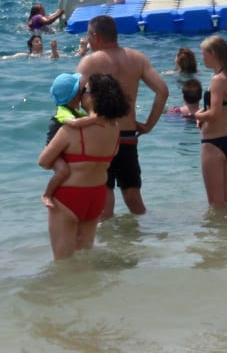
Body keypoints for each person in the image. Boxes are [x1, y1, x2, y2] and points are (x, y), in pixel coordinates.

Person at [76, 14, 169, 218]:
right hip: (128, 135)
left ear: (96, 37)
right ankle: (148, 231)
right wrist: (148, 125)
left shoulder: (89, 61)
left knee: (105, 194)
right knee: (132, 194)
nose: (88, 41)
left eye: (89, 36)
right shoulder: (137, 58)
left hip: (101, 136)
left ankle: (107, 238)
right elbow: (163, 91)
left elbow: (75, 96)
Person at [38, 73, 126, 260]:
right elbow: (113, 155)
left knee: (63, 262)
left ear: (94, 97)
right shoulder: (115, 128)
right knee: (85, 256)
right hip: (96, 196)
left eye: (84, 90)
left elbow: (44, 161)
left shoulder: (72, 129)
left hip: (69, 197)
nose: (81, 94)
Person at [195, 35, 227, 206]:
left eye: (203, 53)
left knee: (215, 203)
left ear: (213, 53)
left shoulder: (217, 80)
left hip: (213, 143)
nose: (202, 58)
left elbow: (214, 113)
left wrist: (197, 115)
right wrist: (206, 112)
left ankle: (221, 225)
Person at [41, 73, 95, 209]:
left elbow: (83, 120)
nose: (83, 92)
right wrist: (94, 118)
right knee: (63, 171)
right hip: (53, 152)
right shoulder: (63, 111)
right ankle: (47, 195)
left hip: (62, 149)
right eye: (81, 90)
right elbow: (74, 123)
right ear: (75, 96)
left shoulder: (74, 111)